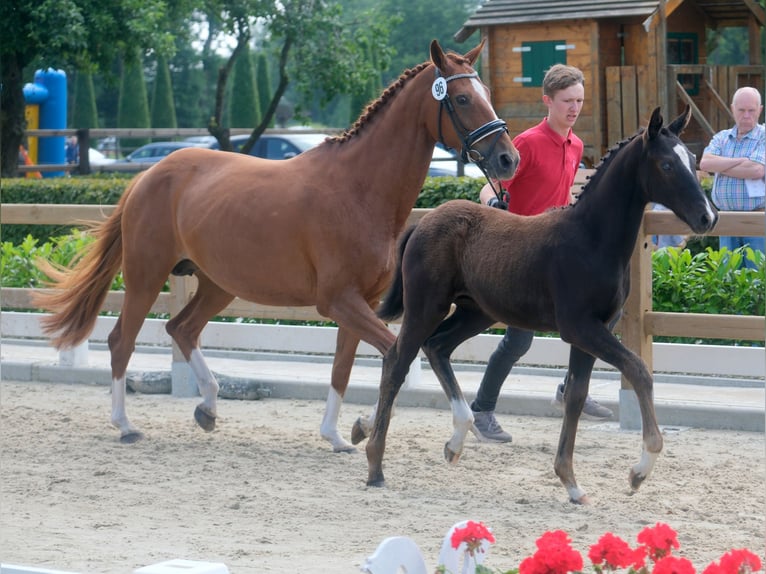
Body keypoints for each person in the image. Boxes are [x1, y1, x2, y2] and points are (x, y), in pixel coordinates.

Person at [471, 63, 613, 443]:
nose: (575, 107)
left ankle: (570, 390)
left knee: (597, 319)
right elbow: (492, 186)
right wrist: (492, 208)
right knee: (519, 341)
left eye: (579, 100)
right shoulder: (529, 142)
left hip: (557, 253)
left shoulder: (577, 145)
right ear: (547, 100)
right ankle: (481, 410)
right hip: (522, 253)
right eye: (567, 100)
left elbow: (562, 198)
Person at [699, 87, 765, 269]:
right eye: (741, 110)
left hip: (757, 220)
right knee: (727, 279)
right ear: (732, 109)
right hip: (725, 219)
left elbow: (757, 170)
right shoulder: (721, 137)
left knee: (757, 279)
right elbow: (705, 163)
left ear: (760, 110)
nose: (746, 115)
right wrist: (742, 161)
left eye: (751, 110)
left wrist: (721, 166)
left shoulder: (764, 136)